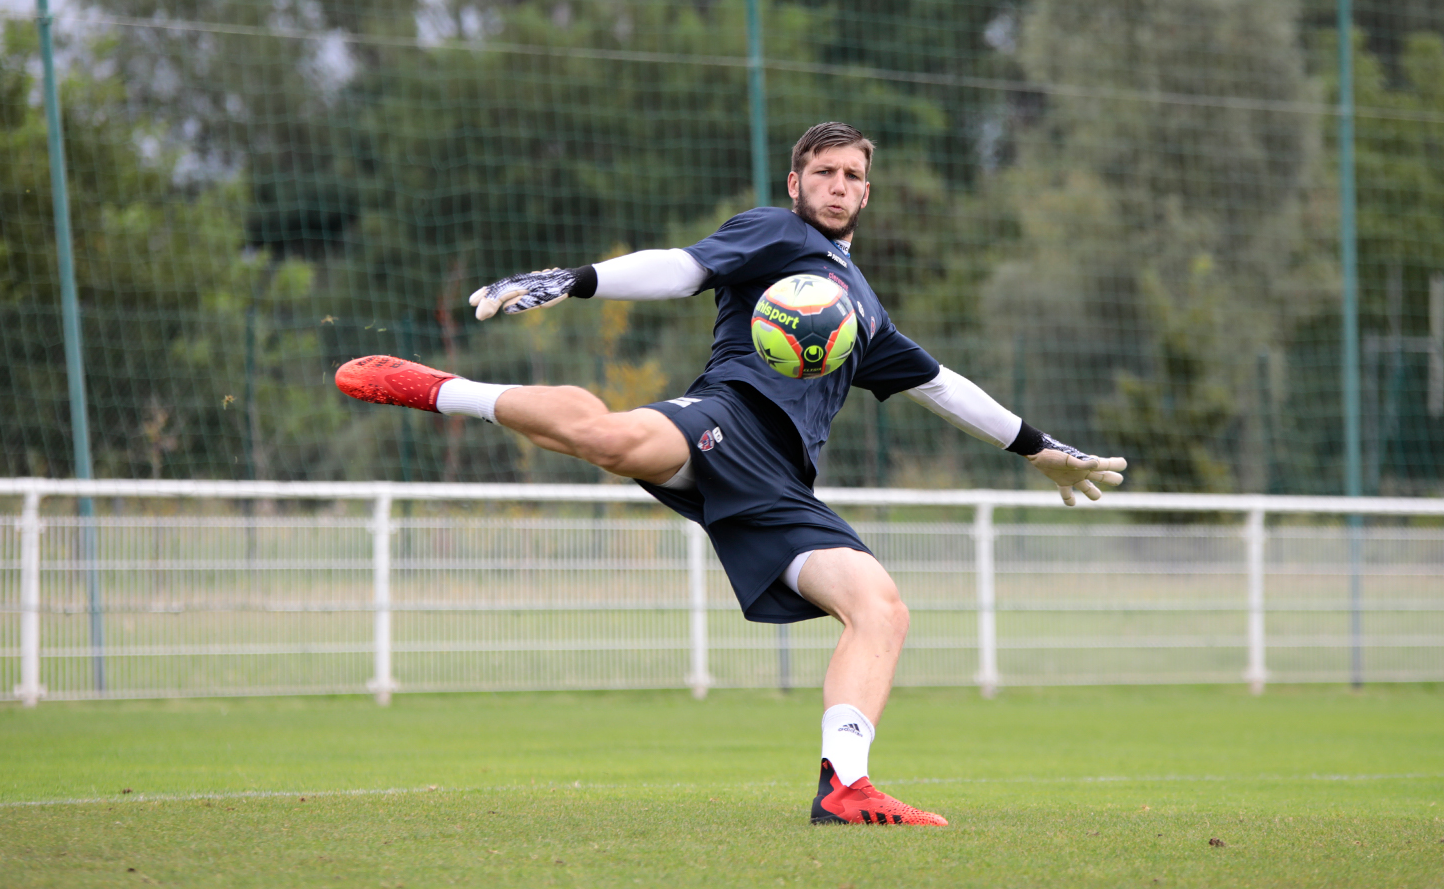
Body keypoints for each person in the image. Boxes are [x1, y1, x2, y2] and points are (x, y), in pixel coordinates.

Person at [336, 121, 1126, 826]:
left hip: (783, 488)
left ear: (867, 191)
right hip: (726, 422)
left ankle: (844, 787)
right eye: (824, 172)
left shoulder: (867, 313)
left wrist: (1038, 448)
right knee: (608, 439)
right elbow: (681, 269)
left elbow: (941, 385)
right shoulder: (779, 234)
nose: (838, 186)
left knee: (881, 608)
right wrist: (580, 279)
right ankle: (443, 390)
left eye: (852, 175)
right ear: (795, 182)